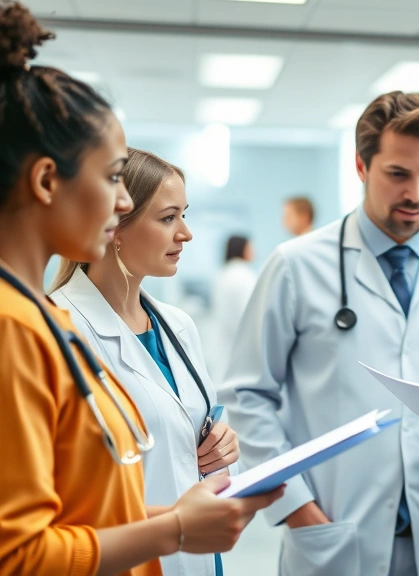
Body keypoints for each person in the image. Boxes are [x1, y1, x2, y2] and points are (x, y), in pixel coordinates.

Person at [0, 4, 281, 576]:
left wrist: (184, 511)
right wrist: (174, 528)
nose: (123, 202)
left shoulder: (35, 321)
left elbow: (90, 499)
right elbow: (19, 552)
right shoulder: (18, 327)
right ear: (48, 181)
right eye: (110, 179)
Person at [221, 91, 419, 576]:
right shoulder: (296, 265)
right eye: (398, 174)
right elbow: (248, 394)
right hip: (333, 528)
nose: (416, 193)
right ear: (361, 166)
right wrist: (297, 507)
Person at [50, 148, 242, 576]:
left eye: (184, 215)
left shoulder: (178, 326)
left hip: (197, 555)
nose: (186, 234)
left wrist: (224, 445)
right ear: (116, 224)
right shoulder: (58, 332)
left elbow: (195, 434)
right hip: (123, 559)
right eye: (168, 218)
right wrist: (172, 523)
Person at [209, 234, 258, 381]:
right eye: (251, 248)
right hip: (242, 348)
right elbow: (250, 315)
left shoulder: (222, 274)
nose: (254, 252)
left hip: (223, 343)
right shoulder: (245, 276)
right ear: (242, 250)